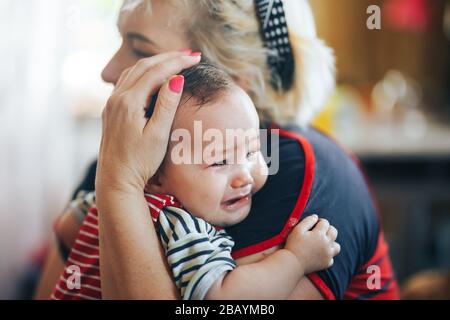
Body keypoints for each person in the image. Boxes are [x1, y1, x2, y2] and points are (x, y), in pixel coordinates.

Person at [35, 0, 399, 300]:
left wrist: (120, 185)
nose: (109, 71)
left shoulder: (298, 169)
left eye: (140, 49)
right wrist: (118, 180)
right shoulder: (120, 161)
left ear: (228, 77)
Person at [51, 63, 340, 300]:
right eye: (218, 162)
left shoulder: (103, 200)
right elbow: (223, 298)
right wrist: (296, 259)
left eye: (252, 151)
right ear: (155, 177)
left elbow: (66, 228)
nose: (244, 175)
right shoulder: (183, 227)